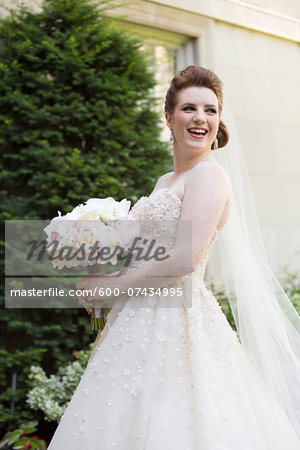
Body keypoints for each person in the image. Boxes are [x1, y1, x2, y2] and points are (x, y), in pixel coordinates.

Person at [48, 66, 300, 449]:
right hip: (134, 319)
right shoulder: (165, 182)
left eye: (211, 110)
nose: (201, 118)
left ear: (218, 121)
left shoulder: (210, 177)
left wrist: (112, 286)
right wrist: (95, 258)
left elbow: (185, 257)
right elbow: (142, 250)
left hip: (179, 323)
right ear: (169, 117)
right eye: (190, 108)